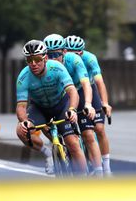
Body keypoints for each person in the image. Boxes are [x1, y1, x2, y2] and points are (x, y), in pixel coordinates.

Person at [16, 39, 87, 175]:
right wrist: (24, 121)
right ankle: (47, 153)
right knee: (21, 131)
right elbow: (21, 106)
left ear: (45, 58)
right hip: (40, 108)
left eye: (37, 59)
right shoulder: (23, 77)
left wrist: (72, 110)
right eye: (29, 60)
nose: (33, 64)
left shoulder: (57, 68)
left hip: (61, 104)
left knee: (72, 142)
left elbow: (72, 92)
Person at [43, 34, 103, 176]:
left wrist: (88, 104)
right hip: (61, 95)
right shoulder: (42, 66)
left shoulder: (75, 60)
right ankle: (57, 148)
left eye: (56, 54)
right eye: (49, 55)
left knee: (88, 133)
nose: (52, 59)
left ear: (64, 52)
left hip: (80, 91)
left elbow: (86, 84)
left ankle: (100, 173)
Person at [64, 35, 113, 175]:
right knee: (83, 132)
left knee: (99, 128)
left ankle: (107, 168)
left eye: (77, 53)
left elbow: (99, 82)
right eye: (70, 53)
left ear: (82, 52)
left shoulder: (90, 58)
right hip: (70, 90)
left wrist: (105, 103)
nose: (74, 57)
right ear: (64, 52)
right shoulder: (62, 60)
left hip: (87, 88)